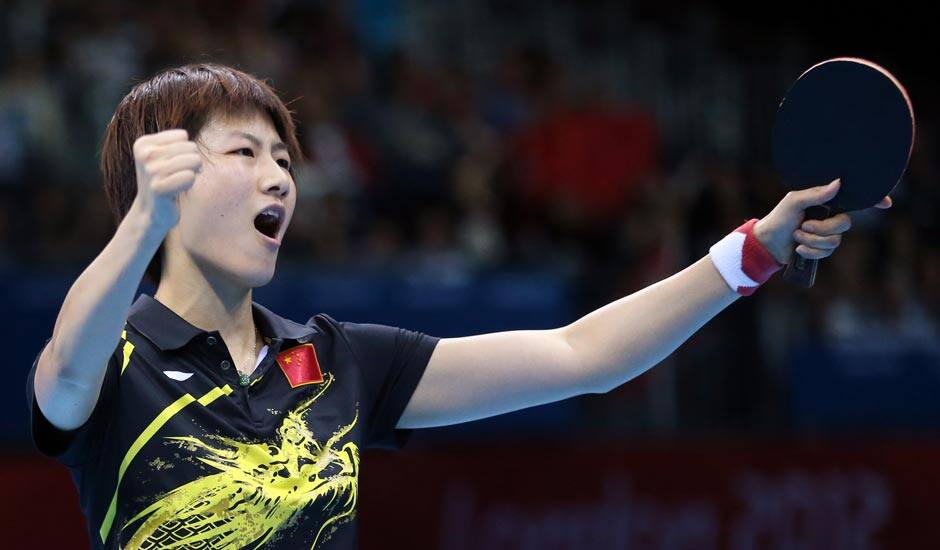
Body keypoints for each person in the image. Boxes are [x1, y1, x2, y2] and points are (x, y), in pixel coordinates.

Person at [25, 63, 891, 550]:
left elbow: (581, 357)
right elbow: (65, 366)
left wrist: (754, 252)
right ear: (159, 174)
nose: (281, 175)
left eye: (285, 158)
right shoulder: (115, 363)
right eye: (245, 151)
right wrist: (143, 223)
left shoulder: (337, 362)